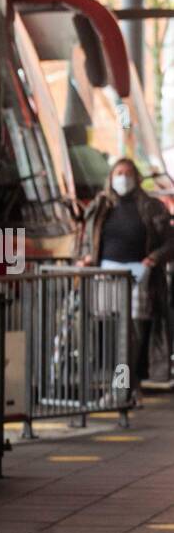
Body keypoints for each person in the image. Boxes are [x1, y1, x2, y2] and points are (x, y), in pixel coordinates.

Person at [79, 157, 174, 391]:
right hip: (104, 276)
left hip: (139, 277)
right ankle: (120, 386)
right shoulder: (100, 206)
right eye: (118, 173)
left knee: (132, 336)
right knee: (108, 332)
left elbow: (170, 242)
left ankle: (124, 387)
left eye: (128, 173)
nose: (123, 178)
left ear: (137, 178)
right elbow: (86, 239)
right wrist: (86, 258)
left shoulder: (151, 206)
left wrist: (153, 259)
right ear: (110, 177)